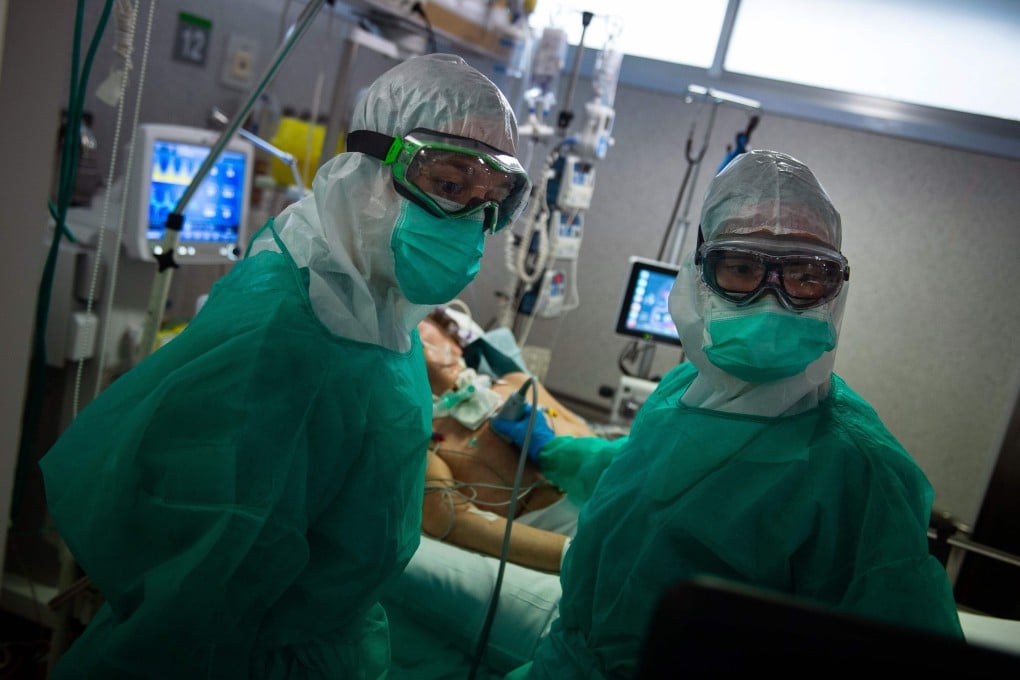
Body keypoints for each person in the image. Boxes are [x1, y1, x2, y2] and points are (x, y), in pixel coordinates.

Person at [38, 53, 530, 679]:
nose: (466, 221)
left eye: (490, 198)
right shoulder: (287, 334)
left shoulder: (383, 312)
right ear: (368, 169)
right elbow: (203, 595)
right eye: (449, 184)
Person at [493, 150, 964, 679]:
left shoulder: (860, 471)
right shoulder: (682, 390)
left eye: (806, 274)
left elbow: (912, 655)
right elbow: (643, 478)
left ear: (836, 289)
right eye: (741, 267)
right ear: (700, 273)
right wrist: (551, 448)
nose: (772, 300)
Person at [417, 313, 592, 573]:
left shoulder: (517, 383)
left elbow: (587, 435)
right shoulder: (425, 437)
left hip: (611, 496)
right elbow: (449, 519)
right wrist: (574, 555)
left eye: (417, 322)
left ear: (453, 343)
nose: (407, 330)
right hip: (564, 533)